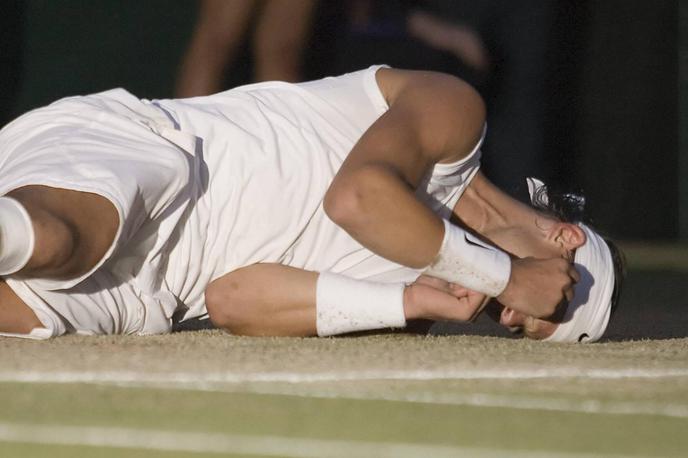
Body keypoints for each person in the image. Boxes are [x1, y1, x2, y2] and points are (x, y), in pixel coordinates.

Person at [0, 66, 623, 342]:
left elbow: (232, 299)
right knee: (55, 244)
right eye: (553, 299)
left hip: (150, 295)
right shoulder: (454, 111)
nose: (513, 317)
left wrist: (404, 303)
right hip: (157, 156)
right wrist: (509, 276)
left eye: (529, 330)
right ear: (563, 241)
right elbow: (358, 199)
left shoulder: (425, 290)